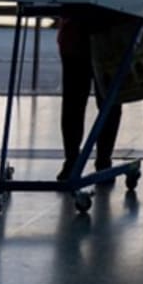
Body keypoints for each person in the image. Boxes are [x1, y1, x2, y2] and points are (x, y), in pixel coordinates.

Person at [56, 11, 131, 182]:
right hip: (109, 34)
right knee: (109, 103)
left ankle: (72, 160)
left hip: (75, 36)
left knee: (73, 103)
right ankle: (103, 160)